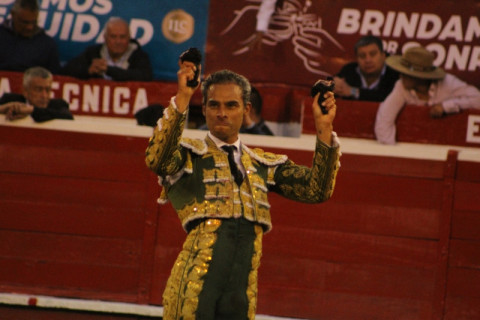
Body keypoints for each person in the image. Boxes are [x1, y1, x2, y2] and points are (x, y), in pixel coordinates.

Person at [144, 58, 340, 319]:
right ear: (204, 109)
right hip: (196, 286)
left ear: (246, 109)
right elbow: (156, 159)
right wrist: (183, 96)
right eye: (214, 105)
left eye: (231, 105)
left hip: (241, 293)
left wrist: (324, 127)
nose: (221, 113)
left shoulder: (262, 164)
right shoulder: (189, 156)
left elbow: (317, 190)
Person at [374, 46, 480, 145]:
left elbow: (478, 99)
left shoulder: (448, 83)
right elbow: (384, 119)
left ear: (420, 77)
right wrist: (389, 154)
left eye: (406, 74)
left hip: (449, 143)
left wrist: (446, 106)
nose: (401, 76)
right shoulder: (401, 86)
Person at [61, 17, 153, 81]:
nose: (118, 41)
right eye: (113, 37)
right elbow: (65, 71)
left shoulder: (139, 56)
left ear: (129, 38)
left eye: (122, 37)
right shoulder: (93, 53)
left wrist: (108, 70)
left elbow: (145, 77)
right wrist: (88, 70)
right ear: (105, 38)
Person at [0, 0, 60, 73]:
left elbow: (55, 78)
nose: (30, 27)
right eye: (25, 22)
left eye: (34, 22)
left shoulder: (47, 45)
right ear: (12, 14)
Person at [333, 35, 399, 101]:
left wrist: (353, 91)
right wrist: (334, 86)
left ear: (383, 56)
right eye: (362, 56)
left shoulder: (394, 74)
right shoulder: (349, 70)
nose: (368, 60)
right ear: (357, 58)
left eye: (373, 54)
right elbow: (331, 83)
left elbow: (387, 97)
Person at [0, 66, 73, 122]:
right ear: (25, 91)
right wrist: (3, 108)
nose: (44, 96)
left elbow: (68, 117)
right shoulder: (10, 100)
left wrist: (30, 110)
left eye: (48, 90)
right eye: (39, 90)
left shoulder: (58, 105)